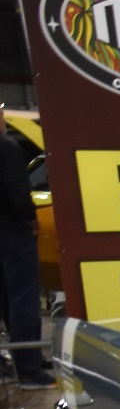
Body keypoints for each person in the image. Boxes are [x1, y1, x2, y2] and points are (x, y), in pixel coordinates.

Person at [0, 125, 49, 388]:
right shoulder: (7, 147)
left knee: (8, 299)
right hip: (13, 233)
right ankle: (30, 369)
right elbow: (19, 196)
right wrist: (32, 221)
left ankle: (21, 362)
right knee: (24, 299)